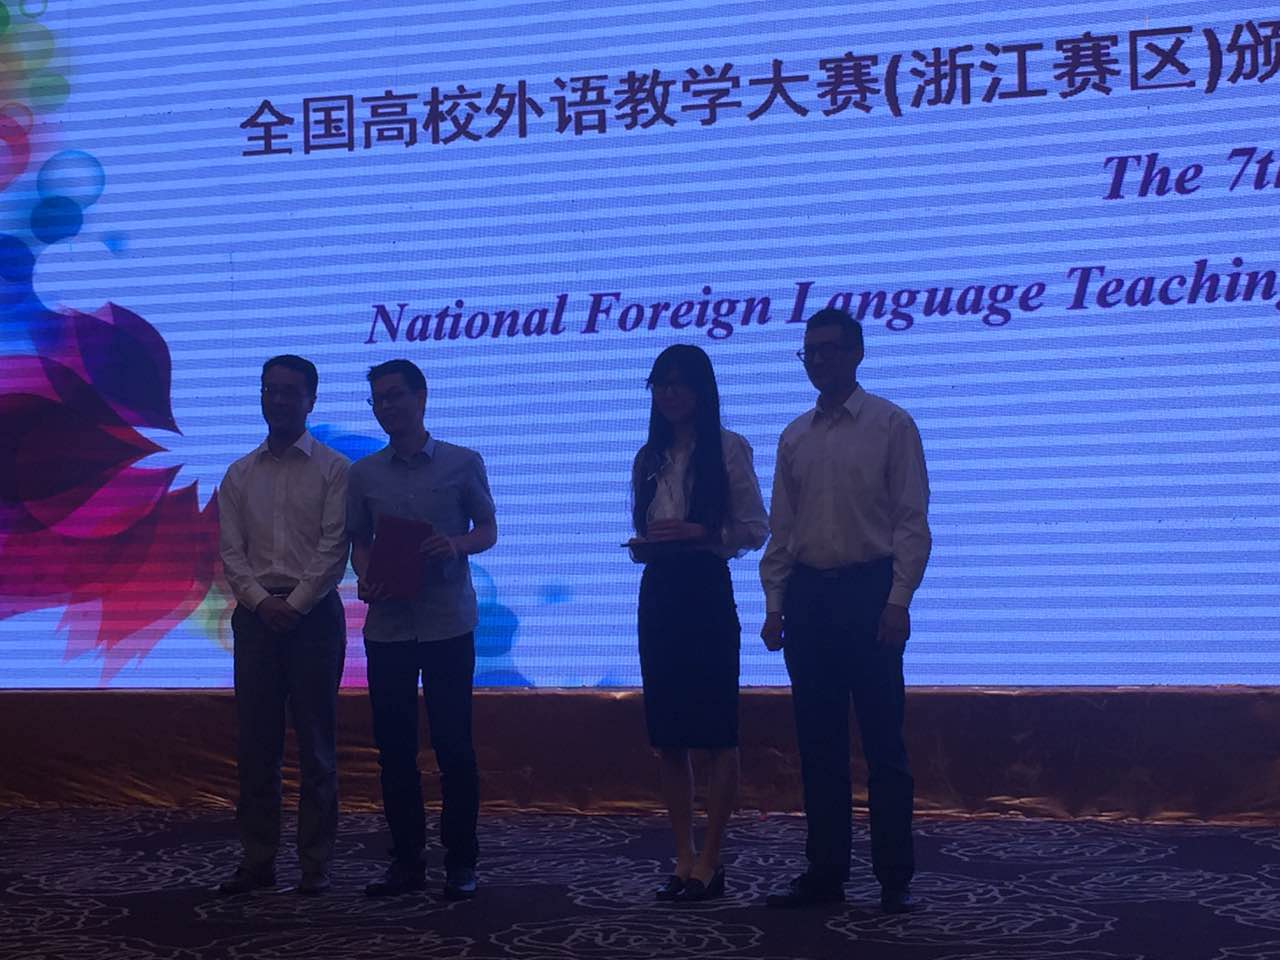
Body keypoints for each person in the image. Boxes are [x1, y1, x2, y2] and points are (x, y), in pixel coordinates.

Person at [760, 308, 931, 914]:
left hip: (870, 592)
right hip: (808, 598)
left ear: (857, 354)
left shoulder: (891, 424)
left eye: (829, 349)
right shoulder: (794, 437)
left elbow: (911, 522)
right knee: (819, 745)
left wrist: (898, 600)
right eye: (809, 351)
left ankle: (894, 877)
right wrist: (774, 604)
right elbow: (782, 532)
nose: (818, 360)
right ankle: (826, 872)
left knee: (884, 743)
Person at [348, 358, 497, 900]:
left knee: (454, 746)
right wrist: (365, 576)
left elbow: (488, 529)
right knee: (394, 750)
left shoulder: (462, 461)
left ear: (421, 397)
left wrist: (454, 544)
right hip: (388, 627)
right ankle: (406, 861)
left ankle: (461, 861)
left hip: (447, 623)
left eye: (395, 395)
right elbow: (359, 541)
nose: (387, 407)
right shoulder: (362, 474)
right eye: (378, 400)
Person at [629, 344, 768, 903]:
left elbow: (756, 528)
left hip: (706, 589)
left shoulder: (729, 448)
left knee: (716, 732)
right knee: (669, 737)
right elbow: (644, 529)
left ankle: (712, 860)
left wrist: (702, 533)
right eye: (660, 384)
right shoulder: (647, 457)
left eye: (679, 383)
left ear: (702, 390)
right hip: (659, 590)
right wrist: (646, 545)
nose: (669, 394)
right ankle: (682, 857)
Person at [217, 354, 350, 896]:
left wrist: (294, 604)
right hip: (255, 620)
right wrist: (260, 602)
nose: (278, 400)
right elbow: (231, 553)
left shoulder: (335, 469)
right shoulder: (238, 473)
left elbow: (334, 548)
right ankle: (258, 861)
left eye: (290, 391)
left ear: (311, 399)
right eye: (269, 389)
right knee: (256, 747)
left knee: (317, 746)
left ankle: (315, 865)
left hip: (314, 618)